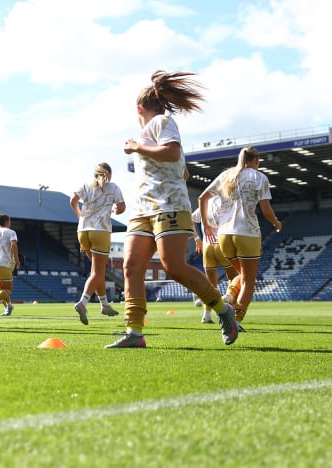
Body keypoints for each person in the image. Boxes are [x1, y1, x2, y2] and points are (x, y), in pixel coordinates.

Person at [110, 70, 239, 348]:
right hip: (142, 209)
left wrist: (137, 148)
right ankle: (134, 333)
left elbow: (171, 152)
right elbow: (183, 171)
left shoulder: (162, 121)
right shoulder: (148, 132)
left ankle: (223, 310)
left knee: (173, 267)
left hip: (168, 206)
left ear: (139, 109)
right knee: (131, 266)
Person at [199, 146, 282, 330]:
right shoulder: (259, 177)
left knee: (242, 275)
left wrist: (205, 225)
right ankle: (235, 321)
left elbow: (202, 198)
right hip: (247, 233)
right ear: (257, 161)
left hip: (224, 235)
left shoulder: (226, 176)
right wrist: (276, 223)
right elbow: (267, 211)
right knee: (249, 282)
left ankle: (229, 296)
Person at [69, 162, 125, 323]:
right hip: (100, 231)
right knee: (97, 272)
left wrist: (80, 215)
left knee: (96, 270)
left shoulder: (85, 185)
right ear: (110, 173)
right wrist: (116, 210)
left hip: (83, 231)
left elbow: (73, 200)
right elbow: (121, 207)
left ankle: (104, 305)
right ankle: (82, 302)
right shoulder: (113, 187)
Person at [191, 195, 238, 323]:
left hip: (207, 246)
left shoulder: (206, 203)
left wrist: (197, 240)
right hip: (221, 244)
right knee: (234, 278)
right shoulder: (230, 201)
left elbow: (190, 220)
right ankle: (228, 308)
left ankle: (206, 315)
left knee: (211, 285)